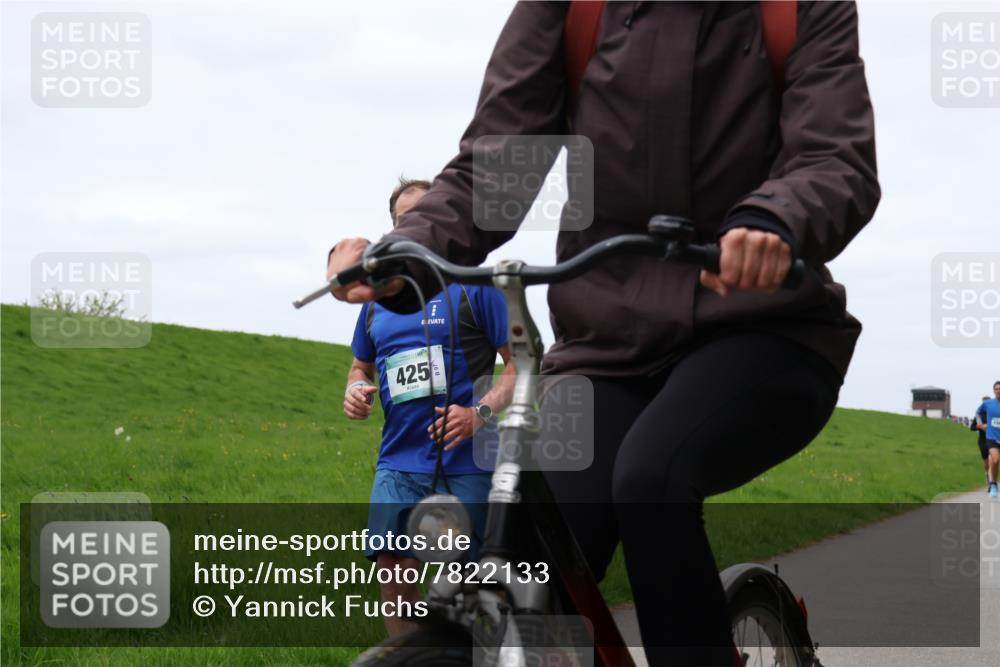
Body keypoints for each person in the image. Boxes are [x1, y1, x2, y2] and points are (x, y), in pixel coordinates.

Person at [327, 3, 879, 664]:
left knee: (651, 478)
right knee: (537, 544)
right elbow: (497, 163)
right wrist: (409, 246)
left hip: (764, 327)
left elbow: (835, 156)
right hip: (607, 345)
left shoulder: (797, 7)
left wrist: (776, 219)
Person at [340, 177, 516, 637]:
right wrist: (356, 389)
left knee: (466, 583)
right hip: (398, 461)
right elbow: (361, 366)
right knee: (393, 569)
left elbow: (518, 369)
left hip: (469, 463)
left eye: (424, 217)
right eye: (404, 221)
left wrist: (479, 414)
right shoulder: (378, 304)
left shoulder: (475, 287)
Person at [975, 381, 1000, 499]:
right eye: (996, 389)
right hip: (992, 437)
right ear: (994, 391)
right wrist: (981, 425)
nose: (998, 391)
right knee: (995, 460)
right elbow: (978, 412)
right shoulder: (988, 403)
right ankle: (993, 484)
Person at [971, 395, 991, 485]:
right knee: (986, 462)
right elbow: (972, 427)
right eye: (984, 403)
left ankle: (992, 481)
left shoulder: (995, 413)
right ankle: (987, 476)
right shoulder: (979, 415)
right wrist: (981, 426)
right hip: (982, 441)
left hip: (993, 440)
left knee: (993, 460)